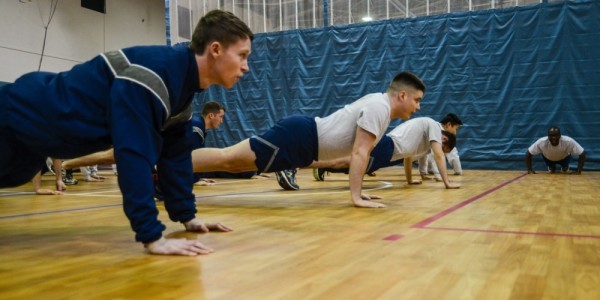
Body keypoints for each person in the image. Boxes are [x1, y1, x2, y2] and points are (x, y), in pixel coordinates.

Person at [0, 10, 254, 256]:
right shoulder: (153, 76)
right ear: (216, 49)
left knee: (16, 174)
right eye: (242, 55)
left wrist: (188, 217)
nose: (246, 67)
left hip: (32, 143)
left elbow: (175, 158)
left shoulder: (181, 91)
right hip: (12, 113)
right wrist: (152, 236)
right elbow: (134, 155)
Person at [191, 71, 426, 208]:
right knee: (228, 159)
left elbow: (356, 153)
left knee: (234, 164)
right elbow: (359, 153)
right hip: (298, 137)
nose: (418, 107)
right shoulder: (379, 107)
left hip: (303, 144)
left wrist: (359, 192)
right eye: (416, 100)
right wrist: (355, 197)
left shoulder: (381, 106)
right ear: (402, 95)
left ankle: (169, 165)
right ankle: (166, 163)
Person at [60, 101, 259, 185]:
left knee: (113, 155)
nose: (221, 121)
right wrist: (196, 178)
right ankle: (66, 165)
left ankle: (67, 165)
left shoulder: (198, 127)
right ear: (211, 115)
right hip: (147, 142)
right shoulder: (196, 128)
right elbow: (187, 159)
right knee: (111, 155)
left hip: (150, 144)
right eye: (221, 117)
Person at [312, 117, 461, 189]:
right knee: (347, 162)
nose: (440, 150)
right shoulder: (434, 126)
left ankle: (319, 165)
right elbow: (438, 155)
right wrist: (447, 183)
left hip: (389, 154)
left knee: (350, 166)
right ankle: (301, 163)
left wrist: (409, 180)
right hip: (387, 146)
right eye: (443, 147)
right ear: (444, 138)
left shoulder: (423, 142)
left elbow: (408, 158)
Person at [420, 113, 463, 181]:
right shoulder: (438, 131)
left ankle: (430, 170)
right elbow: (437, 155)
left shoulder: (438, 129)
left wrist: (423, 173)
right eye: (456, 129)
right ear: (448, 125)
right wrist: (438, 175)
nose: (455, 133)